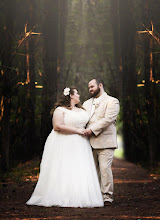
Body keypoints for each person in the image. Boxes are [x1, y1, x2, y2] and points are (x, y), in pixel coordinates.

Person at [26, 87, 103, 208]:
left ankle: (79, 195)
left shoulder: (82, 110)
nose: (79, 95)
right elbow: (57, 126)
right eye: (77, 93)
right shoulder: (60, 110)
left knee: (78, 168)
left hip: (81, 144)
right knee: (63, 167)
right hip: (63, 142)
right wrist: (77, 130)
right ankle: (61, 195)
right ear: (71, 95)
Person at [83, 79, 120, 206]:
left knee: (104, 169)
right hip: (88, 143)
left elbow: (108, 119)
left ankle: (107, 197)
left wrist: (91, 130)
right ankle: (94, 195)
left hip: (105, 142)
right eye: (89, 87)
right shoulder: (86, 103)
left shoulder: (112, 101)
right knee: (92, 170)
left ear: (100, 85)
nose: (90, 89)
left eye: (92, 86)